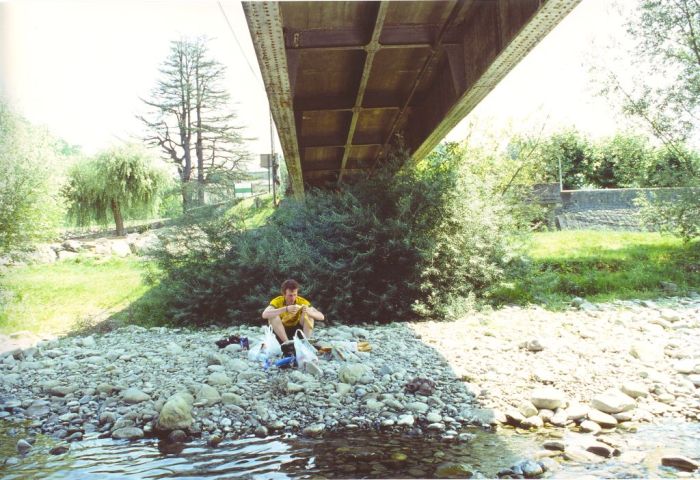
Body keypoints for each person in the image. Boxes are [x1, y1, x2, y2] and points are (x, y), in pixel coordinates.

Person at [262, 279, 324, 344]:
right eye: (290, 295)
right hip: (281, 332)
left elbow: (321, 317)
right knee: (272, 316)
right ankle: (287, 343)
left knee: (310, 313)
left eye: (295, 294)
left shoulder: (301, 301)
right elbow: (264, 314)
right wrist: (286, 309)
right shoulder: (277, 301)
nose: (293, 298)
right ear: (284, 294)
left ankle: (306, 342)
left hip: (296, 331)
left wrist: (309, 312)